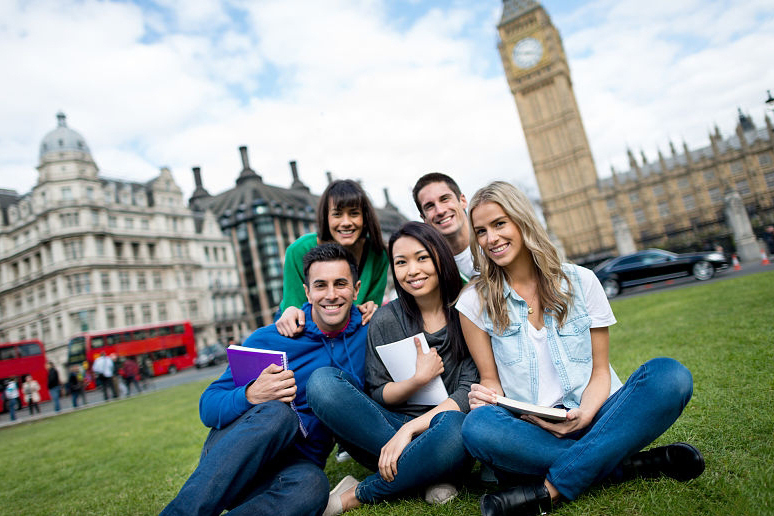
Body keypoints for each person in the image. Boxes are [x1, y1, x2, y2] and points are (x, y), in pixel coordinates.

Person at [456, 181, 705, 516]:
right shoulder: (474, 301)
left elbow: (601, 372)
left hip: (595, 415)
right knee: (477, 425)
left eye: (500, 224)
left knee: (670, 376)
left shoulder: (581, 281)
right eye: (481, 231)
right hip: (532, 431)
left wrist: (584, 414)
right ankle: (627, 464)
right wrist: (485, 397)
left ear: (522, 221)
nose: (491, 238)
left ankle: (549, 490)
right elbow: (491, 381)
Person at [161, 244, 369, 516]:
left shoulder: (369, 334)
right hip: (232, 461)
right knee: (278, 414)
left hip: (288, 474)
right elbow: (208, 406)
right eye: (320, 285)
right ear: (307, 292)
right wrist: (249, 395)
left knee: (313, 486)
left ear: (356, 289)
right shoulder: (269, 339)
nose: (331, 295)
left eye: (340, 284)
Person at [307, 222, 479, 515]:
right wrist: (417, 380)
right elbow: (378, 392)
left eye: (422, 258)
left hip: (443, 431)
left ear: (440, 257)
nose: (412, 270)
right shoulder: (386, 319)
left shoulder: (468, 309)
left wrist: (409, 431)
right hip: (386, 433)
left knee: (456, 427)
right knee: (322, 383)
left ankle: (355, 495)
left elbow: (466, 394)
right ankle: (429, 473)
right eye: (401, 262)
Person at [275, 179, 389, 336]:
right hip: (304, 328)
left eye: (354, 214)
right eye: (337, 214)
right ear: (326, 218)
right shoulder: (298, 250)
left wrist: (371, 308)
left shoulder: (378, 254)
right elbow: (294, 308)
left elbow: (372, 305)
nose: (346, 222)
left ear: (365, 218)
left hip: (351, 328)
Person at [413, 172, 476, 281]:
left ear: (463, 201)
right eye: (430, 206)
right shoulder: (432, 272)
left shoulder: (496, 241)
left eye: (445, 199)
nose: (440, 211)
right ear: (424, 218)